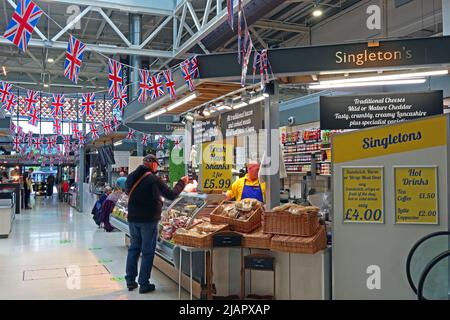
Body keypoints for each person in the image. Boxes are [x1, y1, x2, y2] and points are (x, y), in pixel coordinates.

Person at [125, 154, 188, 293]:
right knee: (147, 251)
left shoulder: (131, 176)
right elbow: (171, 195)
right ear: (153, 164)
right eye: (157, 164)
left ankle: (130, 280)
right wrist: (182, 183)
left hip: (133, 218)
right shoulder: (153, 179)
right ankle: (144, 283)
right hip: (148, 220)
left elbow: (127, 191)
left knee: (134, 248)